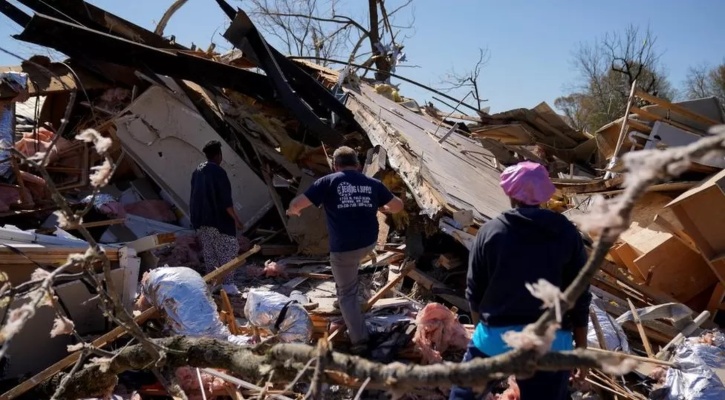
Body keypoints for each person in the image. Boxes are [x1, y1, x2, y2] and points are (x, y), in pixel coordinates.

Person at [449, 161, 592, 400]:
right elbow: (580, 296)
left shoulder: (490, 231)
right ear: (545, 194)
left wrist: (482, 334)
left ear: (509, 193)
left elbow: (474, 292)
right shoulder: (566, 232)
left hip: (496, 337)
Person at [286, 146, 404, 353]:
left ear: (335, 165)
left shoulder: (328, 182)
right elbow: (398, 206)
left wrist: (292, 210)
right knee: (352, 269)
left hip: (344, 250)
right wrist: (382, 207)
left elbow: (298, 203)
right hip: (369, 243)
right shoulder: (372, 183)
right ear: (358, 165)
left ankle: (360, 341)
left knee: (346, 294)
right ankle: (352, 294)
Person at [189, 140, 244, 296]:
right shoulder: (219, 172)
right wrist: (237, 220)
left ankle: (214, 284)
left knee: (210, 252)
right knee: (228, 251)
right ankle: (228, 286)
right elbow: (226, 202)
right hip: (219, 221)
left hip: (201, 221)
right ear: (219, 155)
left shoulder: (197, 171)